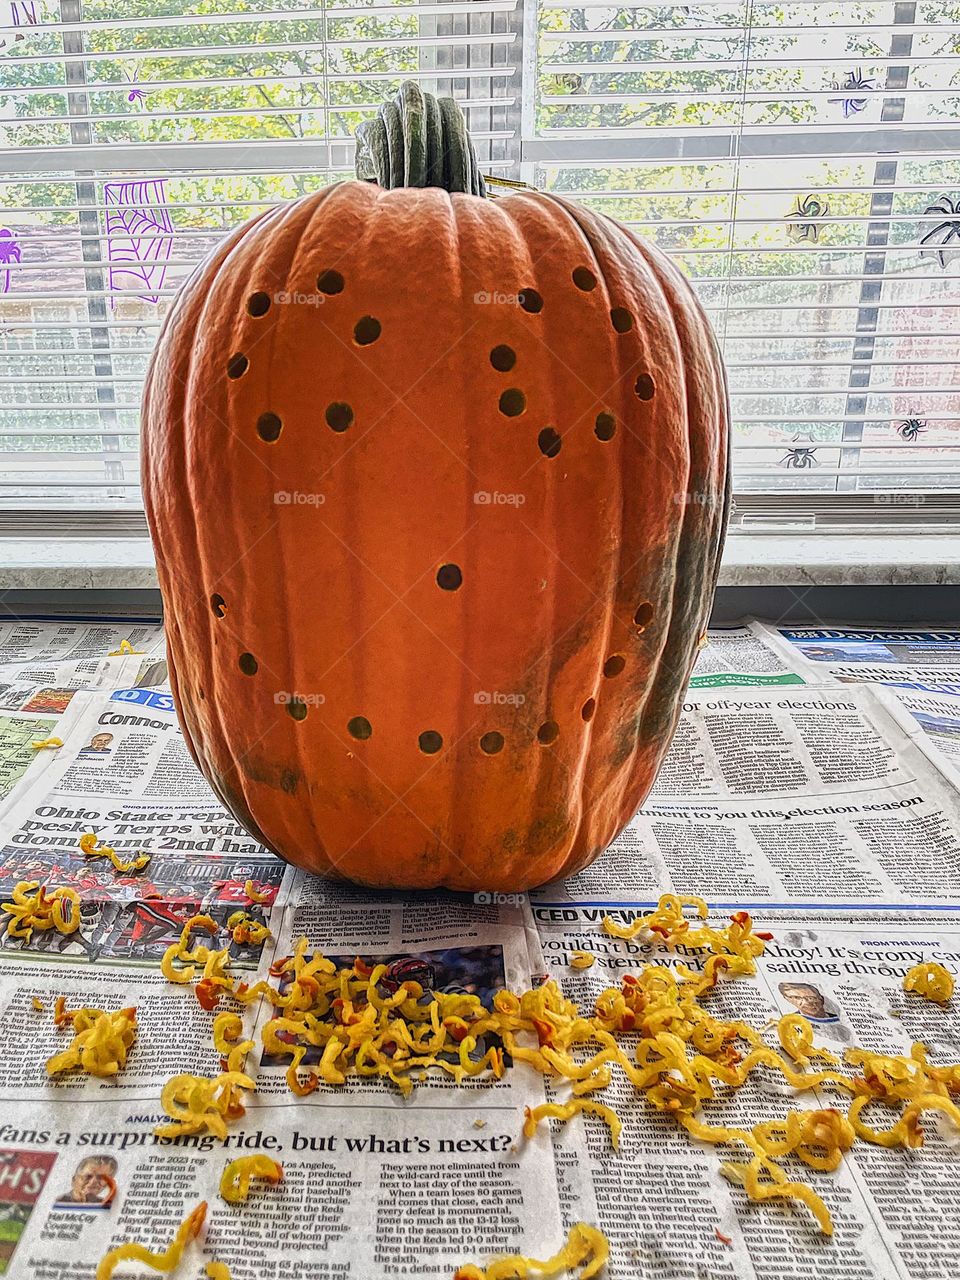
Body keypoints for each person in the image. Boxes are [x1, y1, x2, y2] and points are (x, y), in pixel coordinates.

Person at [53, 1155, 118, 1209]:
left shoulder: (105, 1205)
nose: (93, 1182)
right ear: (74, 1179)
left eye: (101, 1178)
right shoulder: (57, 1202)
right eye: (88, 1176)